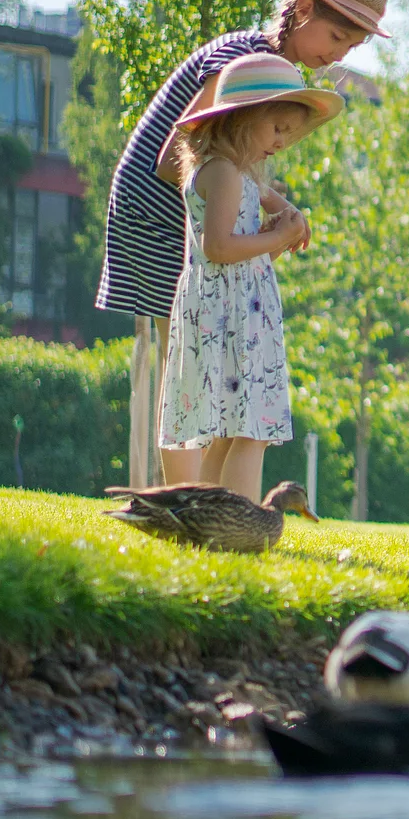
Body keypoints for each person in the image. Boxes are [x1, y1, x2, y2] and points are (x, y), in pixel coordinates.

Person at [96, 0, 388, 487]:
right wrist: (252, 220)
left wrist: (275, 207)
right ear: (302, 9)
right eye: (335, 40)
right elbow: (182, 157)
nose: (334, 57)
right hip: (157, 208)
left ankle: (207, 500)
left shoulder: (267, 67)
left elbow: (235, 164)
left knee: (220, 366)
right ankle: (184, 498)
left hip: (195, 207)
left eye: (348, 48)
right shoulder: (243, 59)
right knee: (192, 363)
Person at [156, 54, 341, 500]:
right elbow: (218, 248)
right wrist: (277, 235)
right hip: (227, 315)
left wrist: (285, 226)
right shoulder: (222, 173)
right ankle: (238, 519)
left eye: (289, 133)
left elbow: (254, 237)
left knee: (235, 426)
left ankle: (213, 514)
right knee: (249, 428)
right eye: (276, 128)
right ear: (241, 120)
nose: (282, 141)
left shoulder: (235, 174)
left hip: (236, 311)